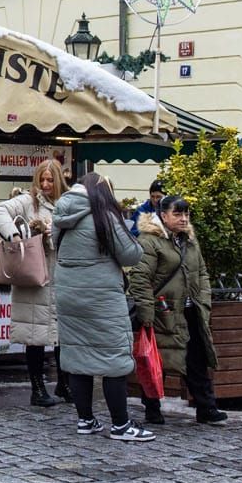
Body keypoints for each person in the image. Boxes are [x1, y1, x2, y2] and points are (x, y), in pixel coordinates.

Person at [52, 172, 152, 442]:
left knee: (77, 358)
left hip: (68, 294)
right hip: (101, 297)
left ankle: (85, 420)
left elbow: (56, 246)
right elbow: (131, 254)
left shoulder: (61, 215)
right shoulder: (104, 215)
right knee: (113, 359)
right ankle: (121, 425)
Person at [128, 196, 227, 426]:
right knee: (156, 361)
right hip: (162, 312)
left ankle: (206, 408)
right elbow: (140, 278)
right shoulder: (150, 241)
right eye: (178, 214)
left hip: (190, 310)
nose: (183, 219)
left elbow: (201, 272)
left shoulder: (189, 240)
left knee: (196, 359)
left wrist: (204, 300)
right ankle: (152, 409)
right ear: (163, 216)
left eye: (186, 214)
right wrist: (146, 312)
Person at [0, 158, 69, 407]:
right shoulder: (28, 200)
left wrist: (53, 233)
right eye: (41, 179)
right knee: (35, 335)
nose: (45, 184)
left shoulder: (67, 203)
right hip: (35, 277)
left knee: (62, 335)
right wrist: (13, 234)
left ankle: (64, 385)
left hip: (61, 277)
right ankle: (37, 388)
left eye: (50, 180)